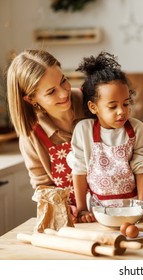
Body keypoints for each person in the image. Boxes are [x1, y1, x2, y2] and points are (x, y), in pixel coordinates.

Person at [66, 52, 143, 223]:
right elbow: (79, 171)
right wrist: (82, 210)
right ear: (94, 107)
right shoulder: (83, 131)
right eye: (112, 106)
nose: (121, 111)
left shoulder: (136, 128)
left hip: (131, 210)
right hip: (96, 212)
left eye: (125, 103)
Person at [7, 49, 85, 222]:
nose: (64, 93)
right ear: (31, 99)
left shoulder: (92, 103)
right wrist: (63, 206)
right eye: (51, 92)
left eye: (63, 81)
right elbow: (42, 185)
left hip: (114, 211)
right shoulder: (32, 135)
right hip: (75, 221)